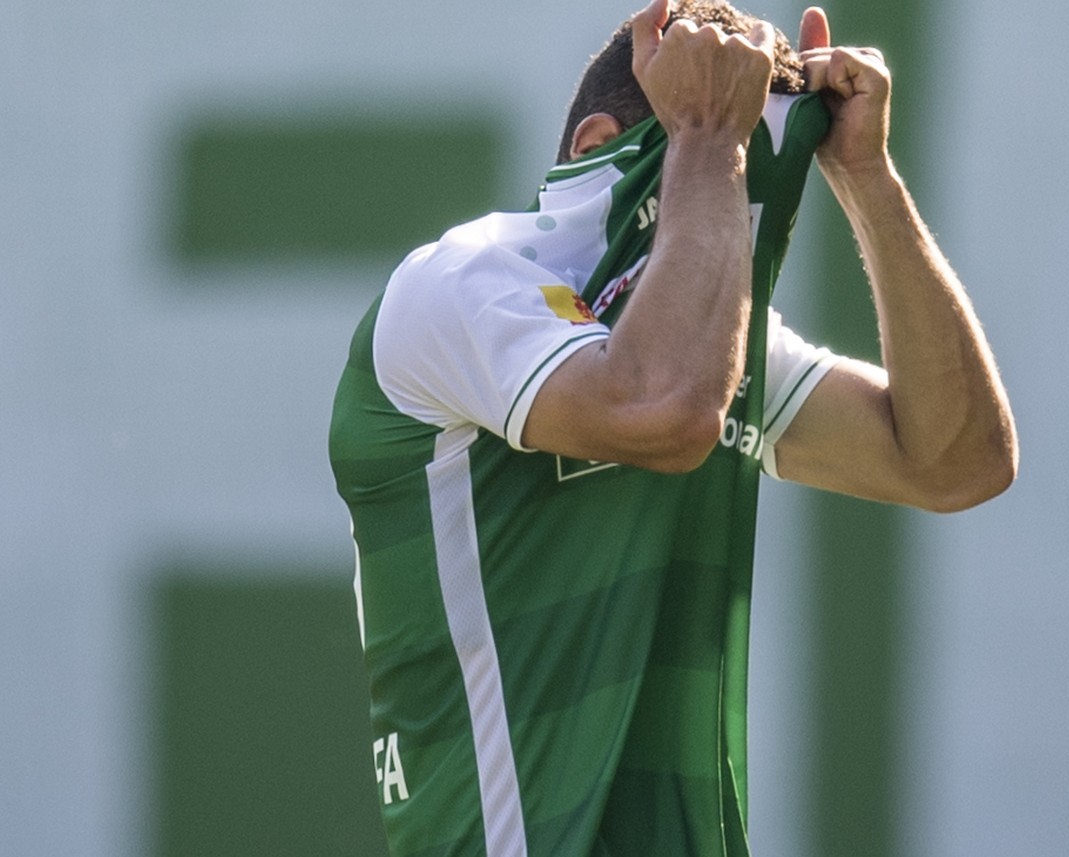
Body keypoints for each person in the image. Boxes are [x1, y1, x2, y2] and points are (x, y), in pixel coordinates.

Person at [328, 0, 1017, 854]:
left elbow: (956, 461)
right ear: (594, 144)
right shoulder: (461, 284)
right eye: (709, 124)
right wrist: (709, 135)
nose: (739, 182)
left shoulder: (708, 349)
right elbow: (666, 411)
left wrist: (865, 178)